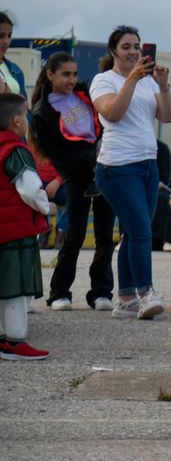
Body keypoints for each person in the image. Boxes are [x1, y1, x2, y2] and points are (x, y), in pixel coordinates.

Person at [89, 24, 171, 320]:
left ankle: (125, 298)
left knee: (132, 232)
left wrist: (163, 86)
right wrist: (132, 79)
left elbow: (167, 116)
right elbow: (112, 112)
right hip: (117, 167)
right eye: (126, 46)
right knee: (141, 228)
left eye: (137, 47)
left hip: (147, 165)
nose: (133, 52)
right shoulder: (104, 80)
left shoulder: (150, 82)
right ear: (113, 50)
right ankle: (145, 291)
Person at [29, 52, 115, 311]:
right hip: (78, 175)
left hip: (104, 168)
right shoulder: (43, 111)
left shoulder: (86, 93)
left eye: (74, 74)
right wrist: (89, 162)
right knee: (74, 235)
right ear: (50, 74)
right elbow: (55, 153)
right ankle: (59, 292)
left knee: (105, 235)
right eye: (66, 74)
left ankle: (101, 292)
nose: (71, 79)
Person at [0, 93, 52, 359]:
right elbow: (31, 189)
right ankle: (15, 341)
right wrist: (46, 207)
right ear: (17, 120)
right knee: (16, 290)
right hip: (16, 232)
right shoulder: (17, 152)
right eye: (27, 115)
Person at [0, 12, 24, 96]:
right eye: (1, 36)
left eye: (9, 36)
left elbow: (24, 105)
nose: (6, 41)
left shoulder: (16, 70)